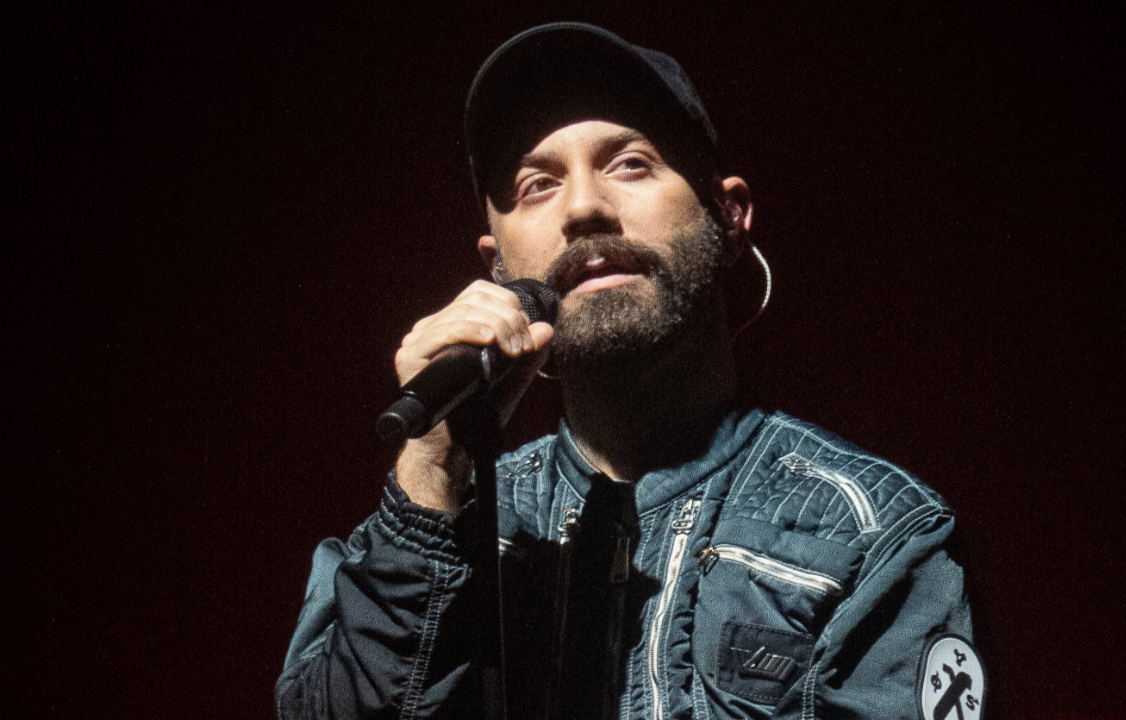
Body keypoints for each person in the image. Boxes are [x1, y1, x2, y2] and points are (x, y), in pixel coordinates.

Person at [277, 23, 983, 720]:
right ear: (497, 264)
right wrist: (431, 472)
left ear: (729, 216)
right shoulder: (441, 528)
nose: (585, 208)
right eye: (536, 185)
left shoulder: (875, 532)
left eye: (630, 164)